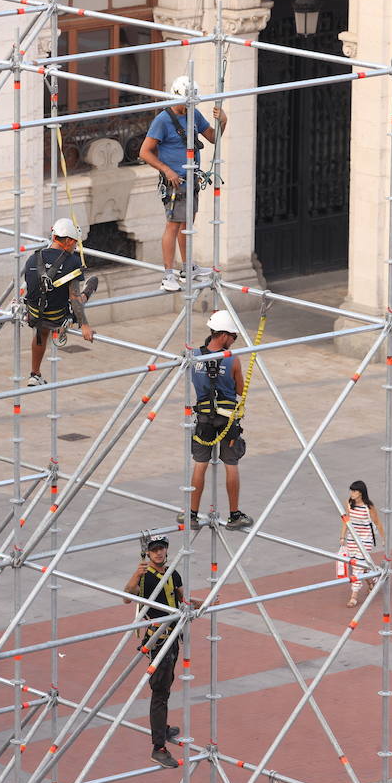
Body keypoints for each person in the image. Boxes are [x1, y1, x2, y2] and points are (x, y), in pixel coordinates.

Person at [138, 76, 227, 293]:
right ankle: (168, 274)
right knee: (173, 224)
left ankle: (188, 267)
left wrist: (223, 121)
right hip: (175, 182)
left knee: (186, 224)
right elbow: (144, 152)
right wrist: (167, 170)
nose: (190, 107)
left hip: (191, 179)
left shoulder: (193, 113)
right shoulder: (162, 120)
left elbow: (213, 138)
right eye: (187, 103)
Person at [184, 311, 254, 532]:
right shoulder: (232, 359)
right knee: (231, 465)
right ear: (224, 335)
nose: (233, 341)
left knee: (200, 464)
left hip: (204, 420)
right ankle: (234, 514)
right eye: (233, 337)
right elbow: (241, 389)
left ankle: (192, 514)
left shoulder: (194, 356)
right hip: (228, 422)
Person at [123, 537, 185, 769]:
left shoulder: (173, 573)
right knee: (159, 691)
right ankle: (158, 747)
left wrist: (204, 603)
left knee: (166, 684)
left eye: (161, 549)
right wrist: (137, 575)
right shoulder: (145, 577)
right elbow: (127, 597)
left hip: (173, 636)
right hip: (158, 639)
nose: (159, 553)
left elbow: (182, 601)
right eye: (154, 550)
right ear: (148, 554)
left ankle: (162, 728)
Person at [21, 218, 98, 386]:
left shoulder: (33, 258)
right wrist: (84, 325)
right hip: (58, 316)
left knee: (41, 331)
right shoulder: (72, 262)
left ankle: (35, 373)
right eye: (75, 243)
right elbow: (74, 297)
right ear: (68, 241)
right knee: (82, 296)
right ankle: (90, 289)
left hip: (35, 315)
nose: (76, 247)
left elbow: (31, 287)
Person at [339, 480, 386, 607]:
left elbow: (377, 523)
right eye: (351, 491)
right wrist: (342, 537)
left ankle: (354, 596)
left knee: (357, 567)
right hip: (352, 538)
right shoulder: (349, 503)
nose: (352, 493)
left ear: (360, 493)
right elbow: (346, 520)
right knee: (360, 565)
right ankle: (373, 581)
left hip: (365, 539)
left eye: (354, 491)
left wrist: (384, 539)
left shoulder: (368, 507)